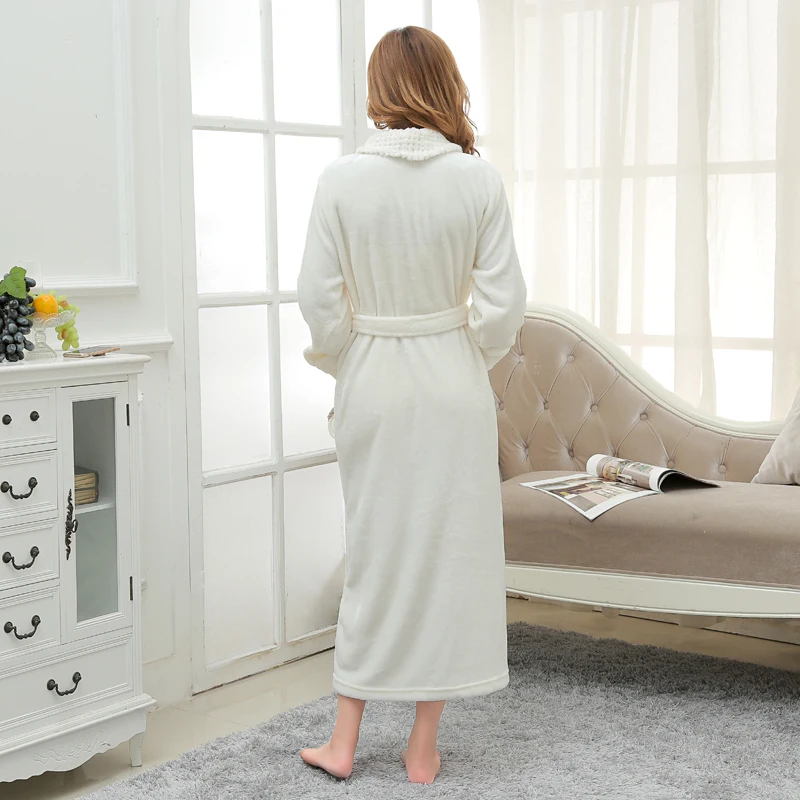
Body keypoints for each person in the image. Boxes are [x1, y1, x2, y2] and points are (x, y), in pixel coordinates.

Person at [297, 26, 527, 785]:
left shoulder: (340, 180)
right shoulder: (477, 181)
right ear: (444, 84)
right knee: (449, 558)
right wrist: (465, 353)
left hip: (373, 380)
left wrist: (347, 355)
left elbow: (318, 302)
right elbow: (504, 306)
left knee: (372, 554)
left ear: (381, 87)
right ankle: (422, 748)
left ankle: (343, 742)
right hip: (452, 382)